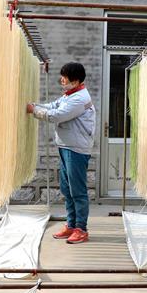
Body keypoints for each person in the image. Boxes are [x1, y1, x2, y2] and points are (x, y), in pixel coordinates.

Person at [27, 62, 96, 244]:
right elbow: (53, 106)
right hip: (66, 146)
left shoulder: (79, 99)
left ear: (76, 81)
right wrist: (36, 105)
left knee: (77, 191)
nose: (62, 80)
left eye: (65, 77)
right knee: (67, 189)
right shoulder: (70, 95)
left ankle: (81, 229)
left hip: (76, 149)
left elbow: (56, 115)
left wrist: (34, 111)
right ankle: (71, 225)